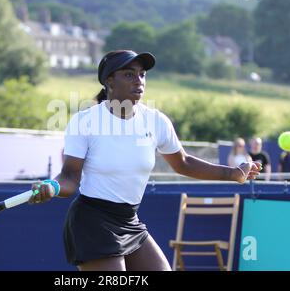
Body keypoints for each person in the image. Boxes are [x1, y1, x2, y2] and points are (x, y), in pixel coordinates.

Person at [27, 50, 261, 271]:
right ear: (109, 81)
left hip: (130, 220)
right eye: (129, 74)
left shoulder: (156, 121)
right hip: (92, 221)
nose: (138, 80)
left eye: (142, 74)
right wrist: (53, 187)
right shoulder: (84, 122)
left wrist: (232, 173)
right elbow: (69, 177)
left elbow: (184, 163)